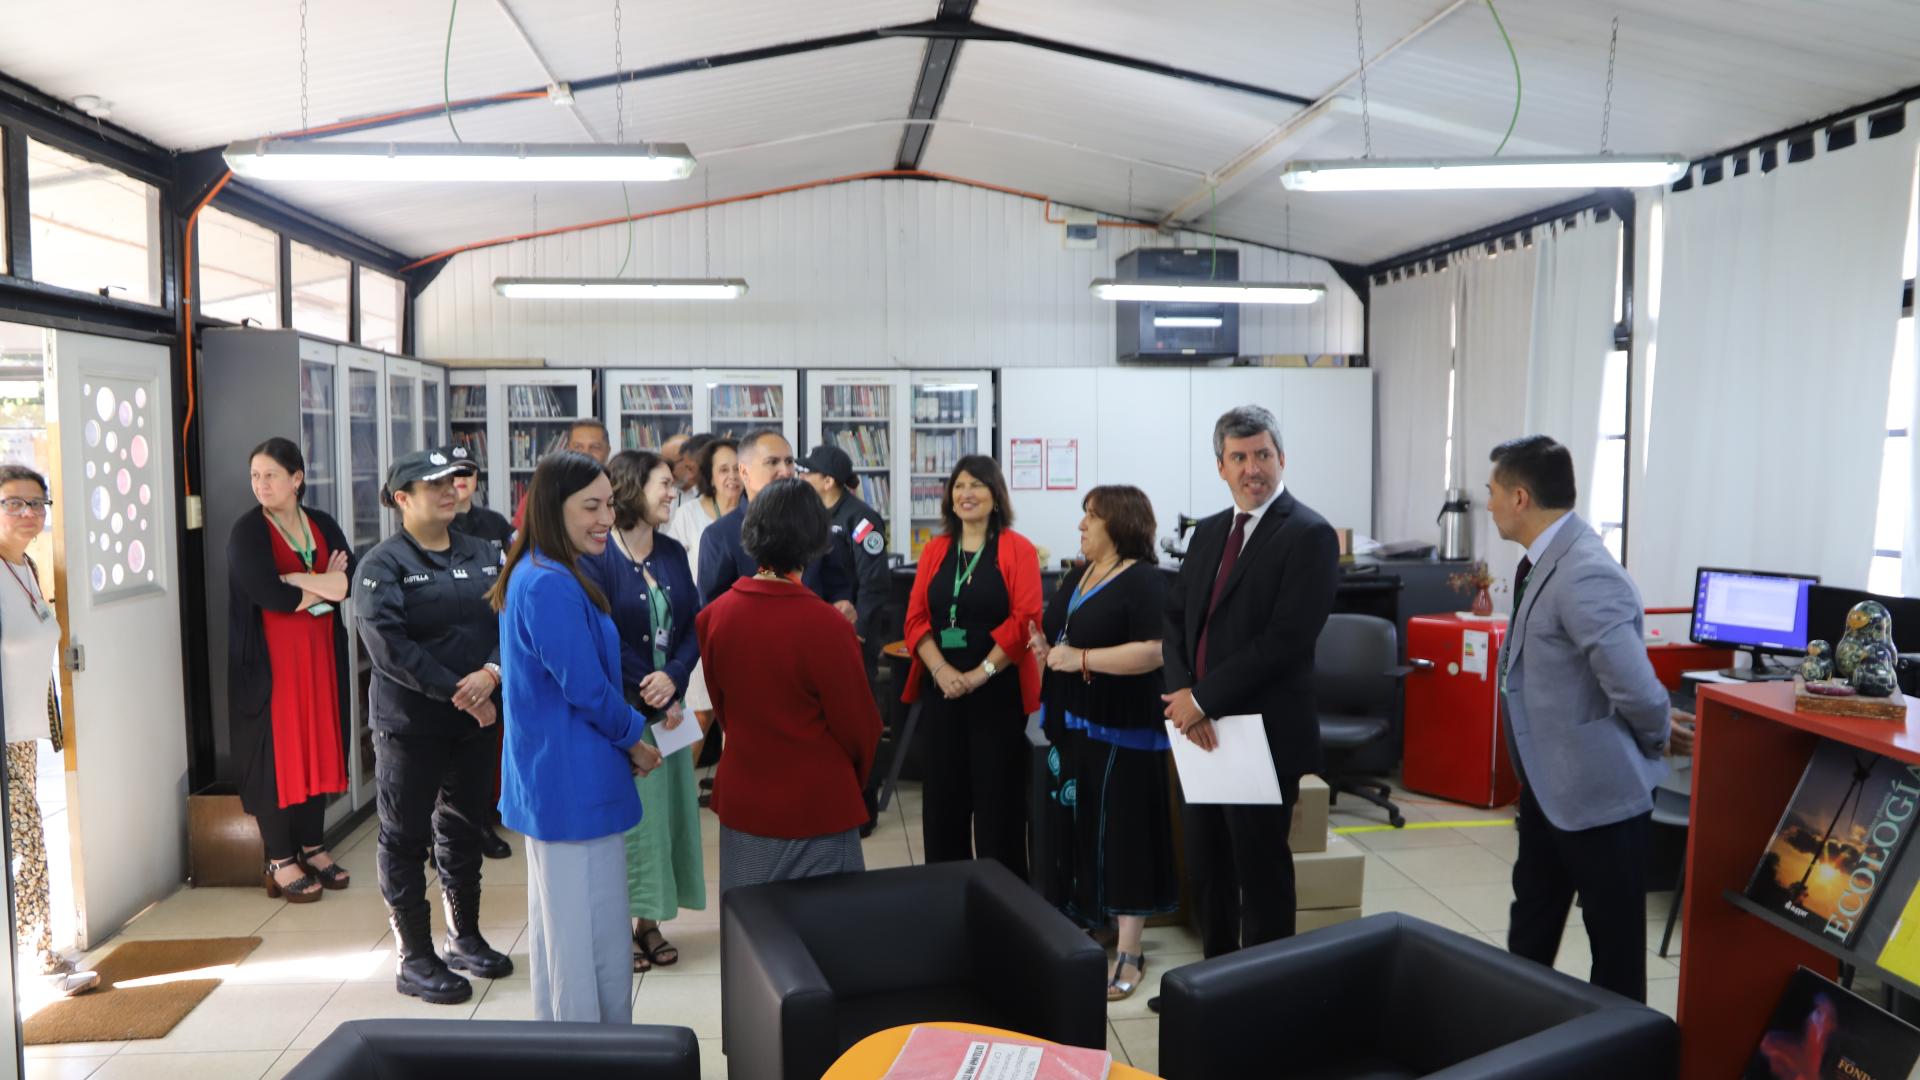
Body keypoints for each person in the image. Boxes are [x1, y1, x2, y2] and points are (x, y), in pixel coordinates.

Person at [1488, 435, 1692, 1005]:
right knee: (1532, 924)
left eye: (1493, 491)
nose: (1489, 503)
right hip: (1547, 785)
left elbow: (1632, 682)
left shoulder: (1583, 571)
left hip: (1596, 794)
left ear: (1521, 497)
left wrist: (1658, 733)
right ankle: (1516, 1029)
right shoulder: (1543, 561)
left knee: (1614, 949)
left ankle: (1622, 1048)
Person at [1159, 406, 1339, 983]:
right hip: (1199, 730)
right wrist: (1182, 695)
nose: (1251, 468)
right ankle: (1213, 989)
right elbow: (1175, 619)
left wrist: (1202, 699)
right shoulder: (1209, 531)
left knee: (1260, 875)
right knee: (1207, 867)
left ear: (1282, 458)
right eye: (1238, 457)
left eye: (1262, 455)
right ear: (1221, 467)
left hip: (1260, 733)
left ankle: (1264, 994)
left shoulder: (1308, 534)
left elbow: (1286, 641)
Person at [489, 451, 663, 1024]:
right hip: (569, 782)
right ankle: (587, 1052)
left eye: (609, 504)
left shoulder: (551, 571)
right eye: (591, 506)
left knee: (576, 932)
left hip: (567, 777)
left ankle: (585, 1046)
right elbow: (586, 689)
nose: (606, 518)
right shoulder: (547, 583)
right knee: (581, 940)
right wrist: (635, 739)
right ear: (552, 507)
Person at [355, 449, 514, 1004]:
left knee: (465, 828)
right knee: (404, 838)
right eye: (434, 485)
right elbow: (389, 648)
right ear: (402, 499)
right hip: (411, 725)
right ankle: (415, 958)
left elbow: (511, 621)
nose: (451, 490)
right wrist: (461, 693)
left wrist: (491, 674)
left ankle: (463, 937)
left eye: (454, 480)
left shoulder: (485, 553)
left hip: (478, 717)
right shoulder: (382, 564)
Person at [696, 478, 881, 892]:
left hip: (746, 795)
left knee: (751, 922)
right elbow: (860, 727)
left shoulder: (714, 617)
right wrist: (851, 780)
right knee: (823, 924)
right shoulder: (829, 625)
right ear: (816, 540)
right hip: (818, 799)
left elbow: (724, 710)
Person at [1027, 485, 1176, 1002]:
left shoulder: (1146, 580)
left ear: (1120, 523)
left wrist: (1081, 659)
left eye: (1091, 517)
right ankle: (1095, 922)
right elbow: (1065, 637)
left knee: (1125, 834)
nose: (1081, 526)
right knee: (1081, 826)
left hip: (1124, 727)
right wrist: (1049, 650)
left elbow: (1155, 651)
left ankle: (1131, 950)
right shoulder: (1080, 573)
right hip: (1073, 721)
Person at [580, 451, 705, 974]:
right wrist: (651, 685)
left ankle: (649, 921)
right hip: (627, 711)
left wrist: (674, 677)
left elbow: (694, 625)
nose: (673, 493)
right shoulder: (598, 556)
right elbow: (602, 633)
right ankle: (617, 925)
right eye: (664, 484)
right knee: (631, 823)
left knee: (666, 818)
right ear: (632, 488)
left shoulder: (672, 551)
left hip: (671, 709)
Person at [901, 455, 1042, 878]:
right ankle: (947, 894)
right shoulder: (935, 549)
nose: (966, 494)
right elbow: (916, 619)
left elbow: (1025, 620)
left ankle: (1005, 901)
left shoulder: (1018, 549)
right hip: (942, 694)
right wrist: (942, 672)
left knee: (999, 806)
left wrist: (980, 674)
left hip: (997, 694)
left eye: (977, 485)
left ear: (996, 495)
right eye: (959, 486)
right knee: (943, 804)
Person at [227, 437, 354, 905]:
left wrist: (299, 579)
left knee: (317, 744)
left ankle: (313, 846)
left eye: (271, 476)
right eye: (255, 476)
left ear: (296, 478)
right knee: (279, 756)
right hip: (271, 664)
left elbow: (348, 582)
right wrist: (323, 583)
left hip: (319, 656)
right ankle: (280, 858)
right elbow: (271, 596)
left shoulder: (321, 523)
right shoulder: (248, 532)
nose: (261, 485)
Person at [0, 465, 96, 996]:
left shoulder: (27, 568)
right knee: (26, 846)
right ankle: (36, 963)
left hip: (23, 735)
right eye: (14, 503)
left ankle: (33, 958)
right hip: (4, 733)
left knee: (26, 845)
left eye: (37, 503)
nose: (28, 513)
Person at [698, 428, 856, 621]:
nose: (786, 471)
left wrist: (842, 605)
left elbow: (838, 587)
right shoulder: (719, 536)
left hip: (813, 632)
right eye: (772, 462)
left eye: (789, 462)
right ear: (744, 472)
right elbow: (714, 613)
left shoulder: (815, 523)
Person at [445, 442, 514, 862]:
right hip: (448, 646)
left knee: (488, 739)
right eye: (453, 474)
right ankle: (446, 829)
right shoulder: (436, 523)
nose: (460, 481)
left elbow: (512, 572)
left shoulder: (494, 523)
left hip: (490, 639)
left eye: (467, 473)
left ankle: (484, 820)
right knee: (447, 744)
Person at [662, 436, 739, 757]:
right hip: (698, 628)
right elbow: (669, 571)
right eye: (724, 469)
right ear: (710, 474)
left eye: (738, 468)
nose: (732, 476)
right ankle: (672, 781)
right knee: (696, 715)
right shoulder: (688, 514)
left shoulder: (756, 514)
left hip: (743, 632)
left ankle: (732, 787)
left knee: (738, 719)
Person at [798, 444, 891, 655]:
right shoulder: (810, 513)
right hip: (818, 626)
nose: (801, 478)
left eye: (808, 473)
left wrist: (860, 629)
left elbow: (875, 580)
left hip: (851, 629)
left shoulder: (862, 520)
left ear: (828, 482)